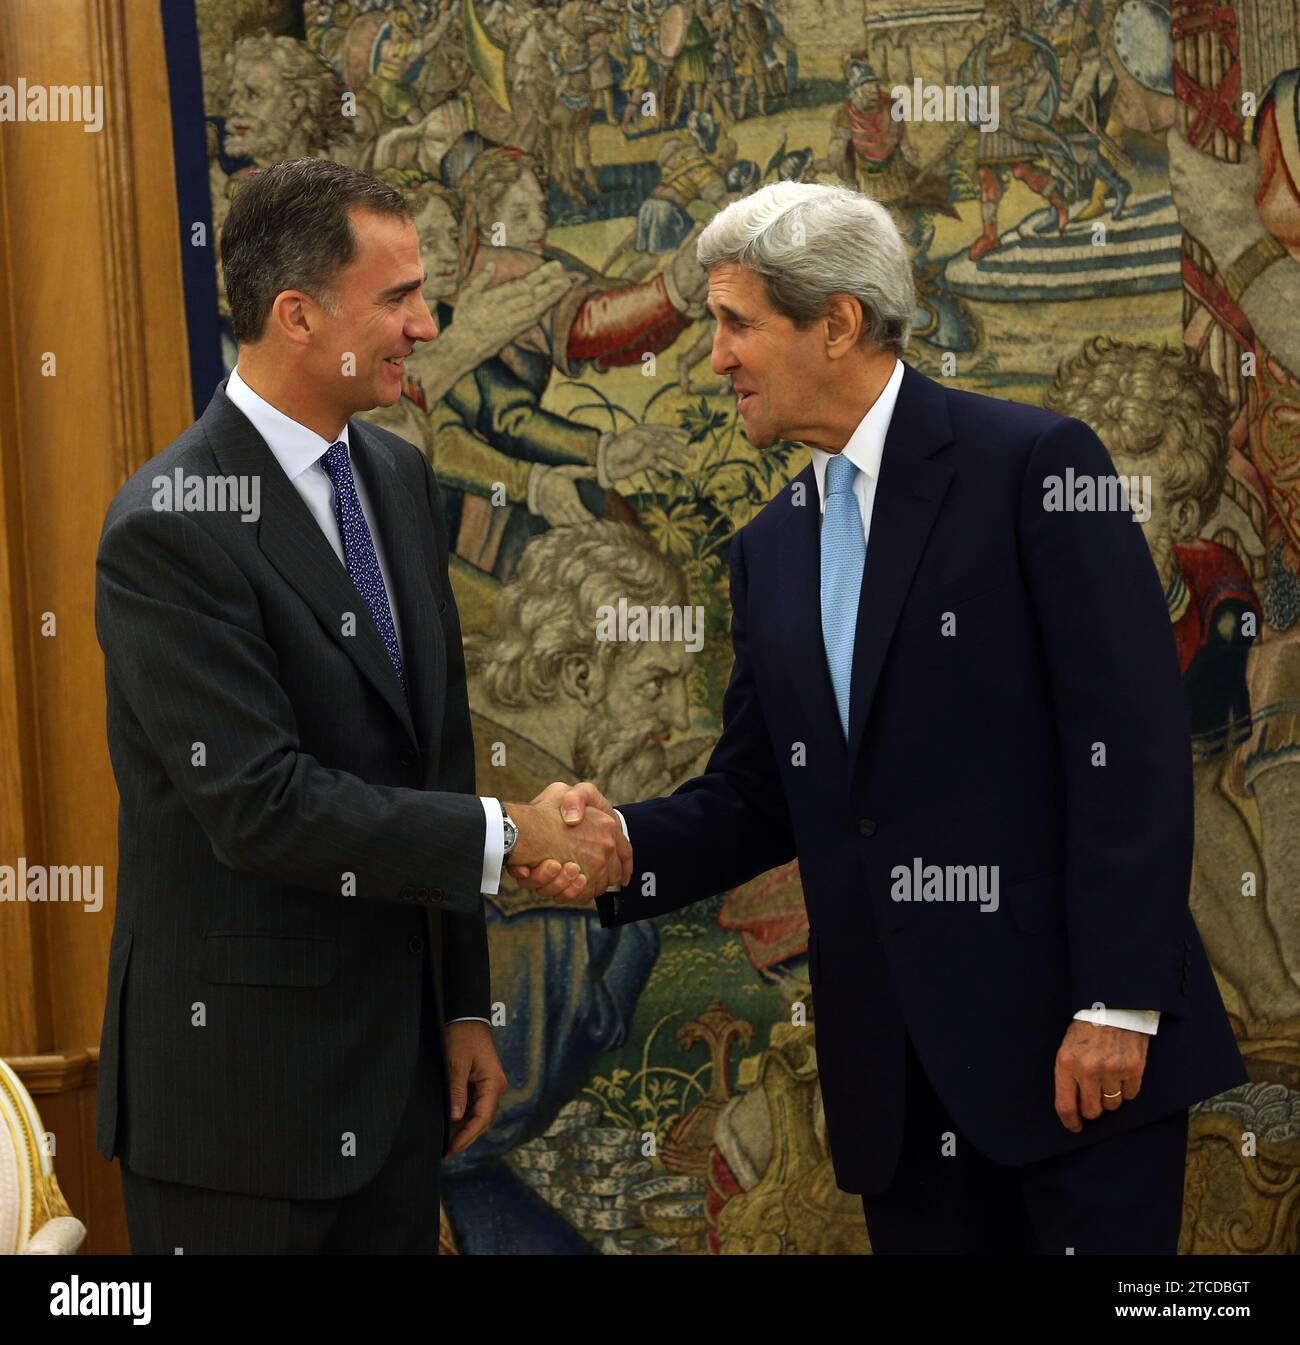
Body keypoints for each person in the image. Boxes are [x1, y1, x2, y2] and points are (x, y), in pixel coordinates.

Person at [513, 180, 1248, 1254]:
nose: (711, 356)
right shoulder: (772, 546)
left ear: (838, 321)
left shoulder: (1037, 468)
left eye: (734, 323)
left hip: (1075, 1066)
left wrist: (1118, 1006)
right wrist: (622, 845)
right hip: (896, 1101)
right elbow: (763, 791)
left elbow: (1127, 751)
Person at [93, 157, 628, 1254]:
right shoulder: (168, 528)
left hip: (399, 1095)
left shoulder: (388, 476)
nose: (429, 324)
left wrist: (463, 1006)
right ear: (297, 313)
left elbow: (429, 752)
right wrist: (511, 832)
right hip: (243, 1119)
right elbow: (262, 805)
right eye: (399, 298)